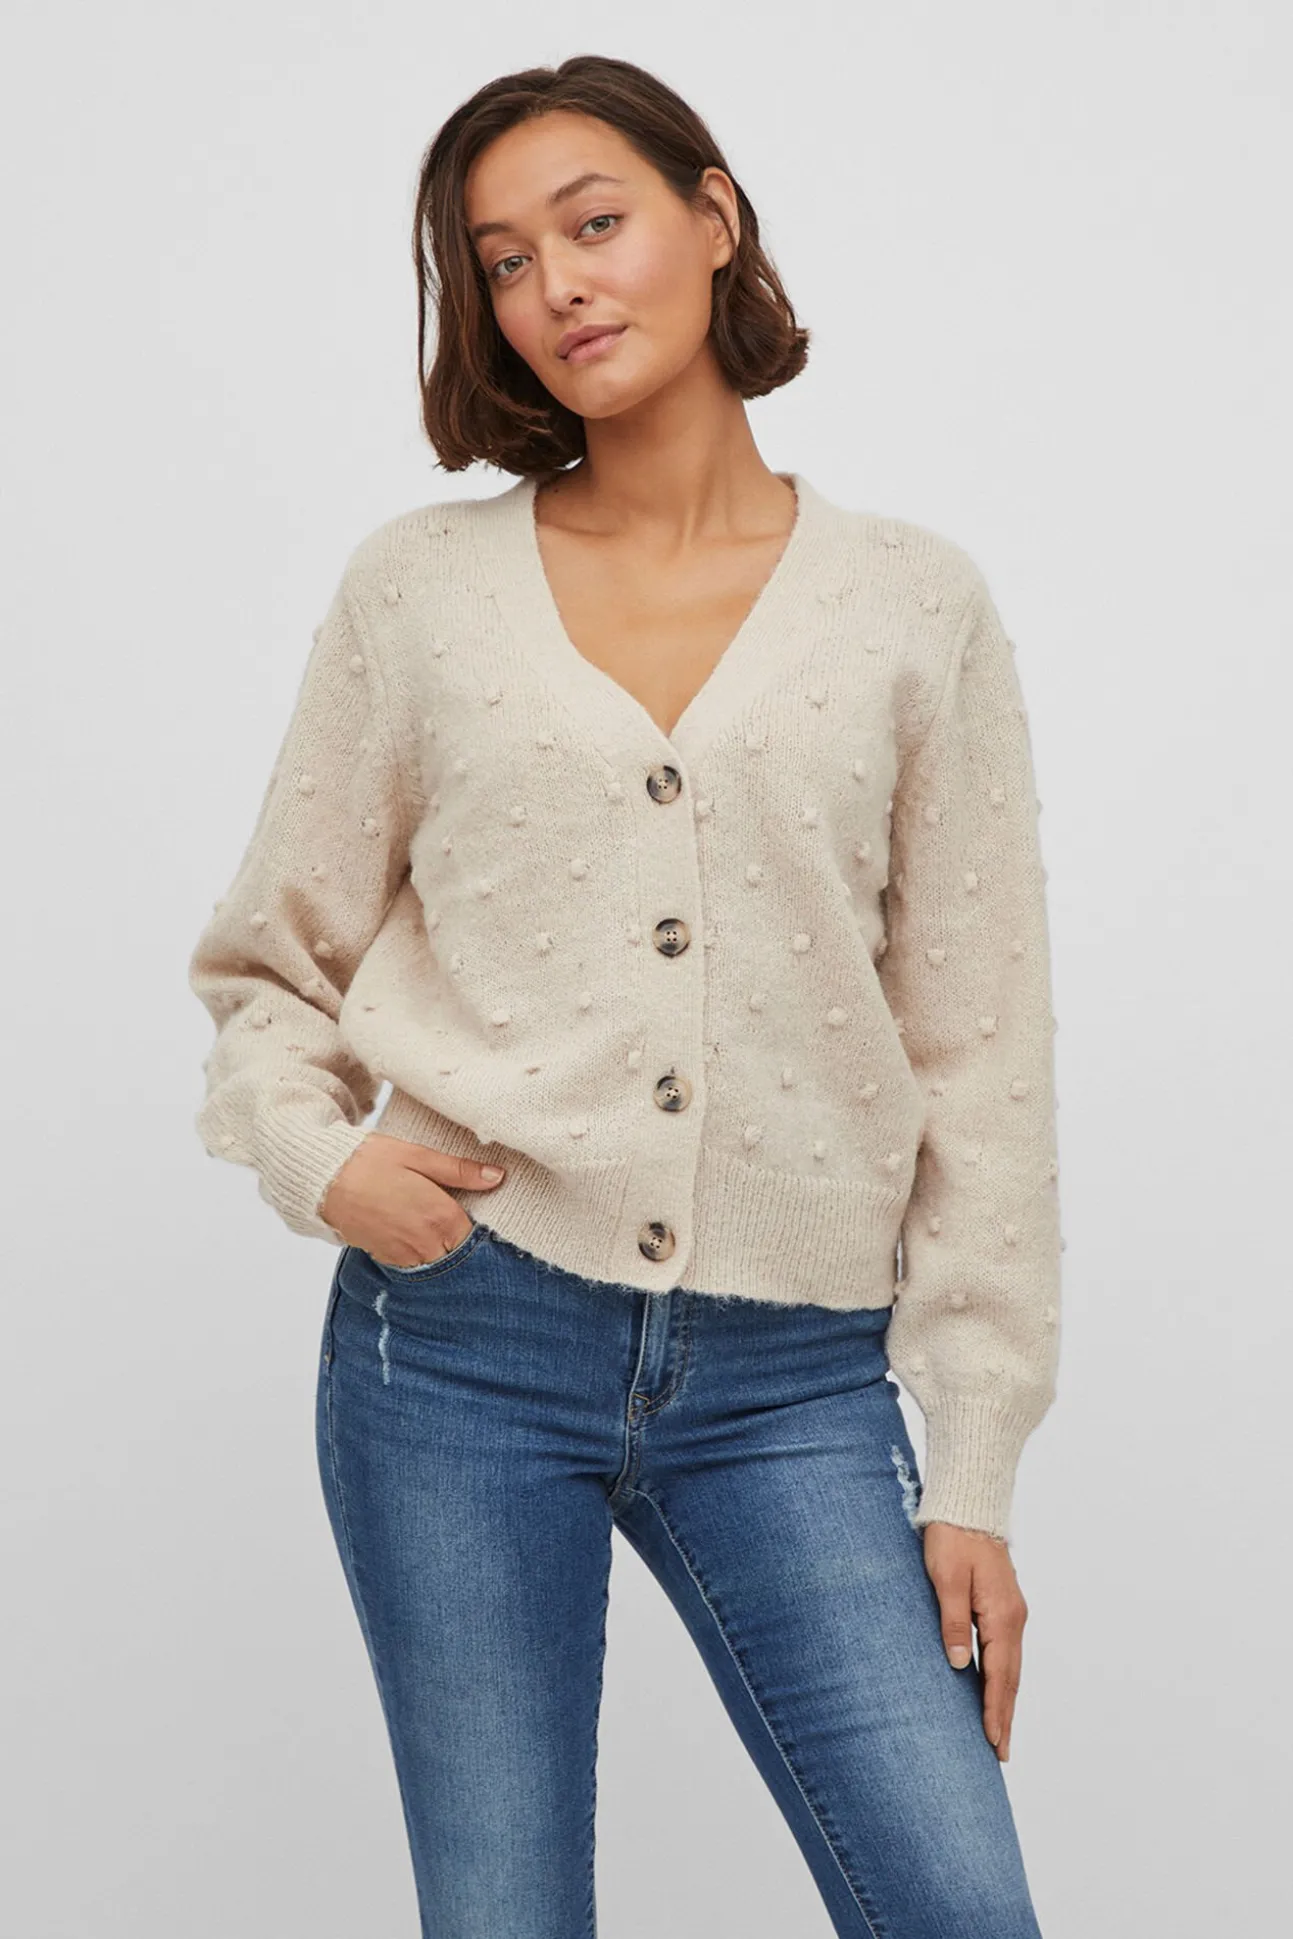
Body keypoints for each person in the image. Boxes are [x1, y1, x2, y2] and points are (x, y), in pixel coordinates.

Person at [188, 52, 1062, 1939]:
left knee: (959, 1905)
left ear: (713, 215)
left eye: (595, 224)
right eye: (505, 262)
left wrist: (975, 1458)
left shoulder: (915, 606)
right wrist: (318, 1157)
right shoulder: (419, 593)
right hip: (461, 1345)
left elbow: (982, 1056)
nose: (557, 286)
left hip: (797, 1375)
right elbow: (270, 958)